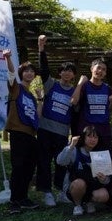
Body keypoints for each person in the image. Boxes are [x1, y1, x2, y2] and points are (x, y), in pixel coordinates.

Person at [35, 35, 77, 206]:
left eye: (70, 70)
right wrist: (41, 49)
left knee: (61, 163)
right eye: (64, 70)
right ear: (60, 72)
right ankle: (46, 192)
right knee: (44, 162)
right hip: (45, 130)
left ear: (73, 75)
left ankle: (60, 191)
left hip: (62, 132)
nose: (67, 73)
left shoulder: (75, 92)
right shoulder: (51, 84)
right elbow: (44, 69)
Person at [3, 49, 39, 214]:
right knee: (18, 167)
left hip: (31, 134)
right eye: (26, 71)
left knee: (29, 167)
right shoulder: (16, 88)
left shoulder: (31, 96)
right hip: (18, 132)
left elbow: (37, 116)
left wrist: (40, 99)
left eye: (32, 71)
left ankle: (23, 197)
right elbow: (11, 73)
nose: (30, 73)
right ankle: (14, 201)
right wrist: (8, 58)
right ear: (21, 73)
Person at [56, 125, 112, 216]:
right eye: (89, 136)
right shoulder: (75, 150)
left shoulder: (101, 154)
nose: (92, 139)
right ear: (83, 137)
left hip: (93, 187)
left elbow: (107, 179)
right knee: (79, 183)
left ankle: (89, 203)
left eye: (95, 137)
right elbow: (60, 161)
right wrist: (71, 146)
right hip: (74, 187)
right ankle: (77, 205)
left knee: (104, 195)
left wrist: (104, 179)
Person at [70, 57, 112, 150]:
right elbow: (73, 101)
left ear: (106, 73)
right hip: (87, 131)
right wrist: (80, 83)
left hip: (104, 131)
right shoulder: (85, 86)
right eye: (98, 68)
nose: (100, 71)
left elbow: (108, 109)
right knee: (85, 160)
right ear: (91, 69)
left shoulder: (107, 88)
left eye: (103, 69)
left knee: (103, 161)